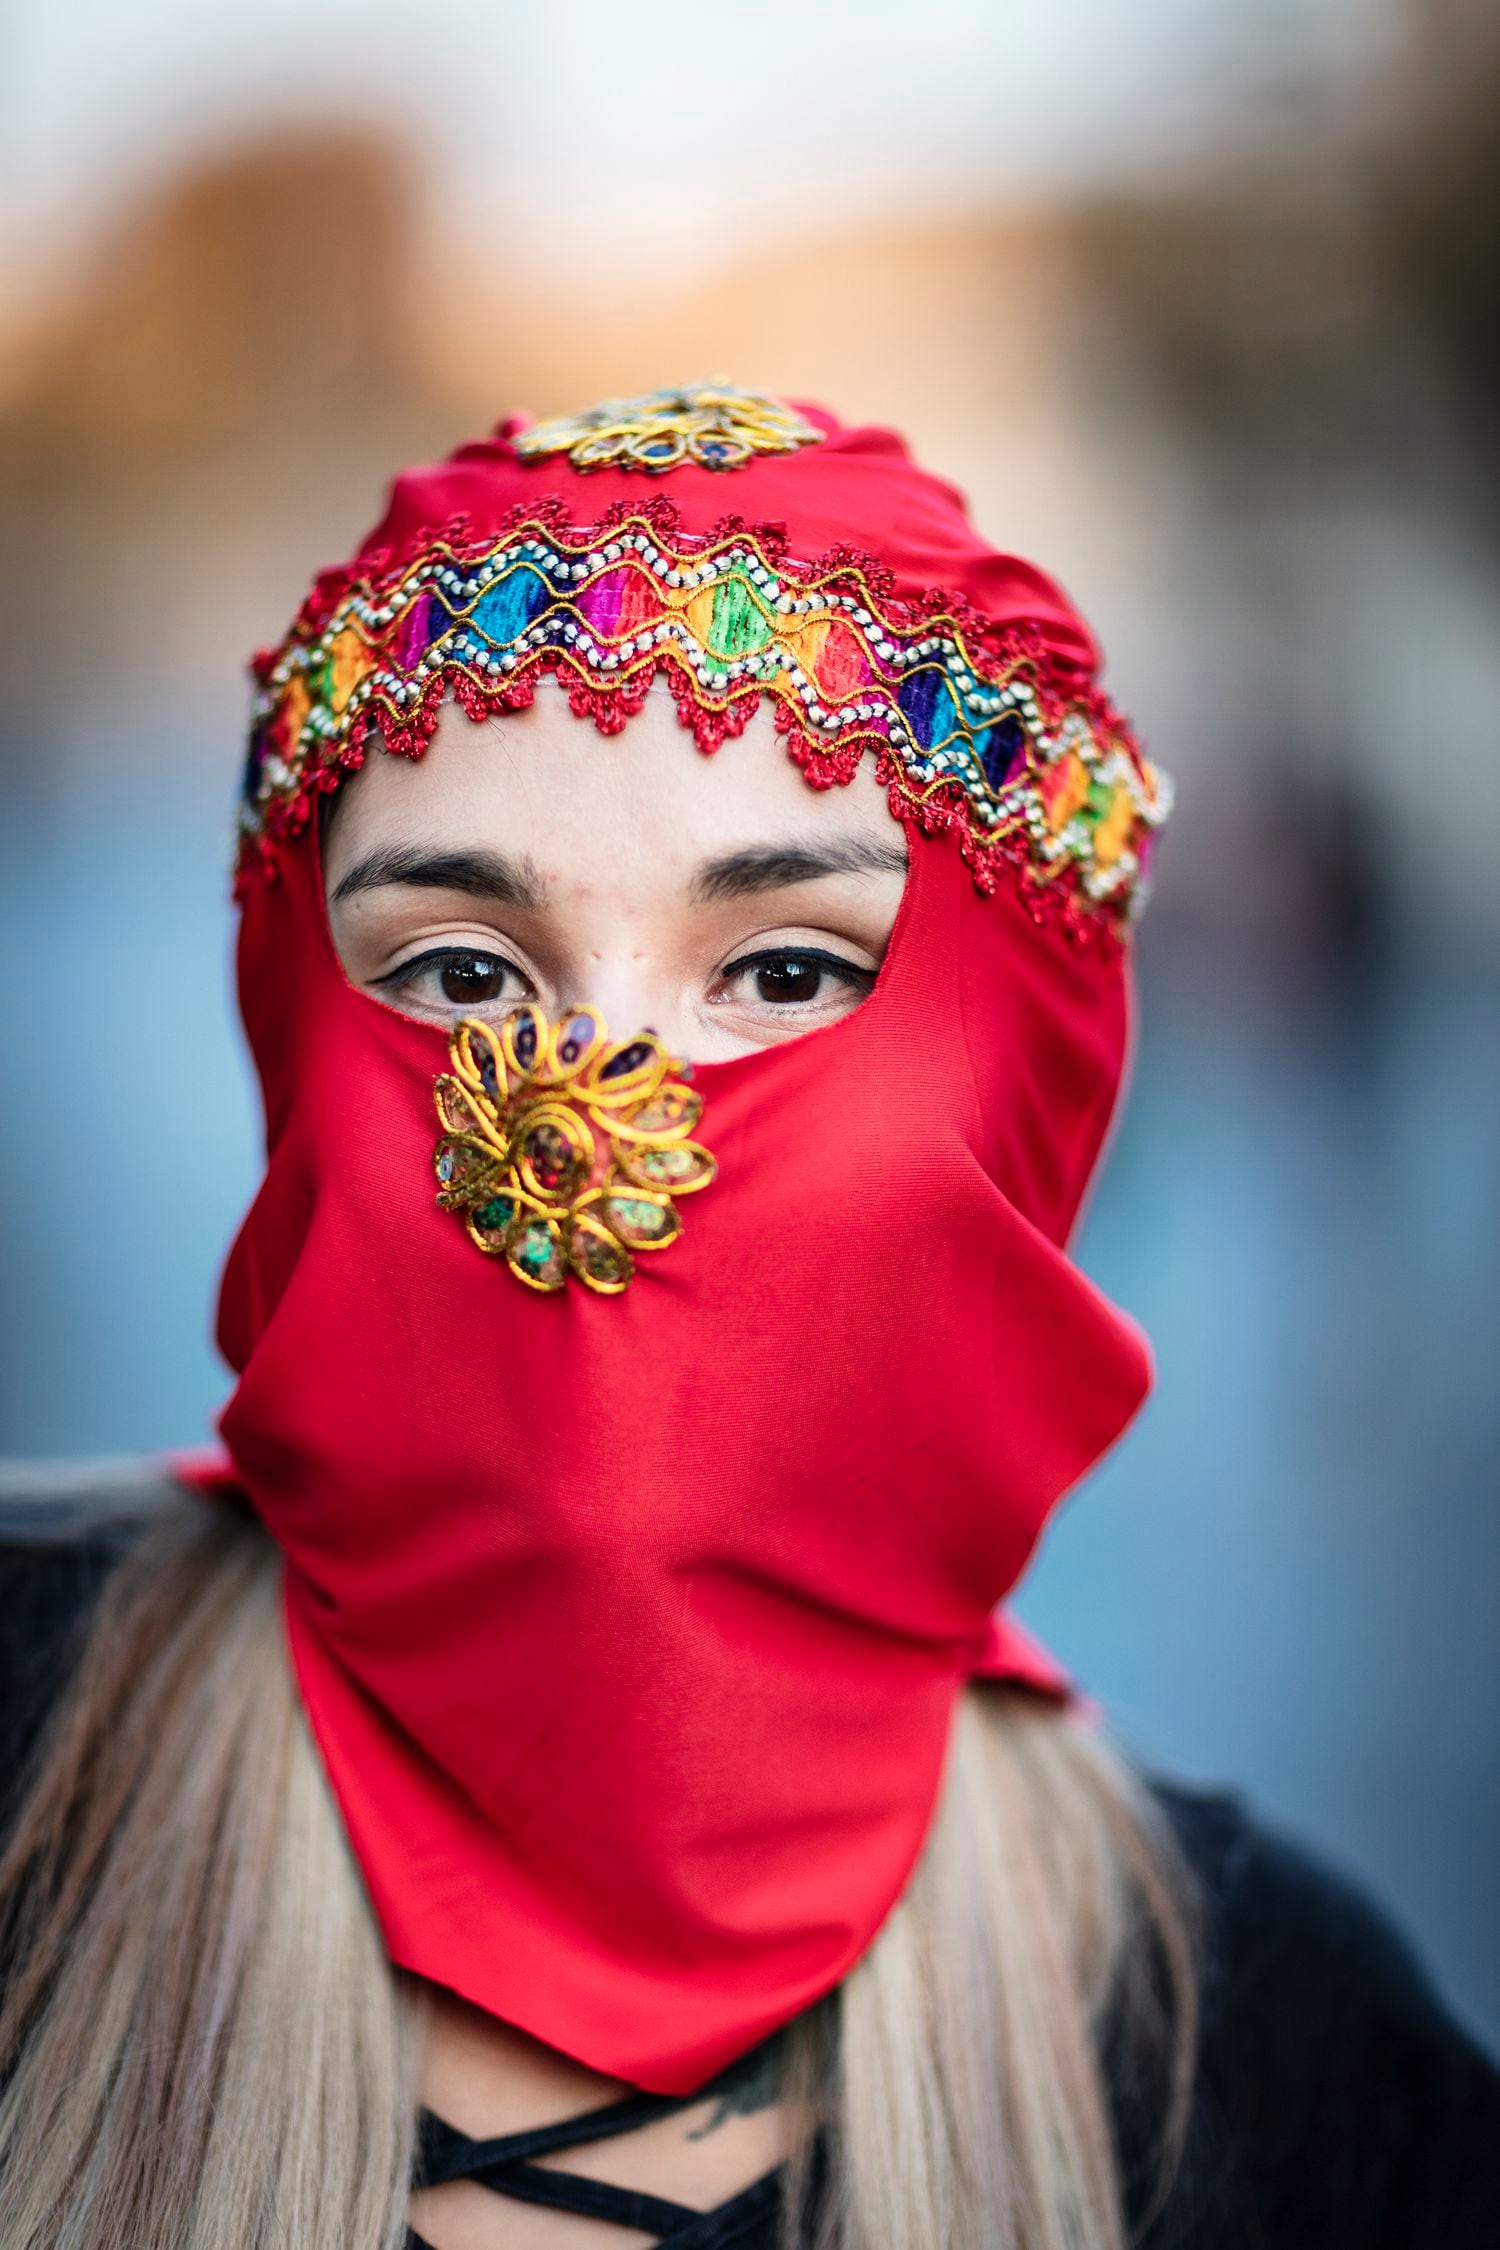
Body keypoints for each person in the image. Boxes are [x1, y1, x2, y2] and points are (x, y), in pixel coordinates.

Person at [0, 384, 1494, 2250]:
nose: (590, 1101)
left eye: (785, 969)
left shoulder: (1294, 2085)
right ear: (297, 1055)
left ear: (1020, 1102)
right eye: (462, 969)